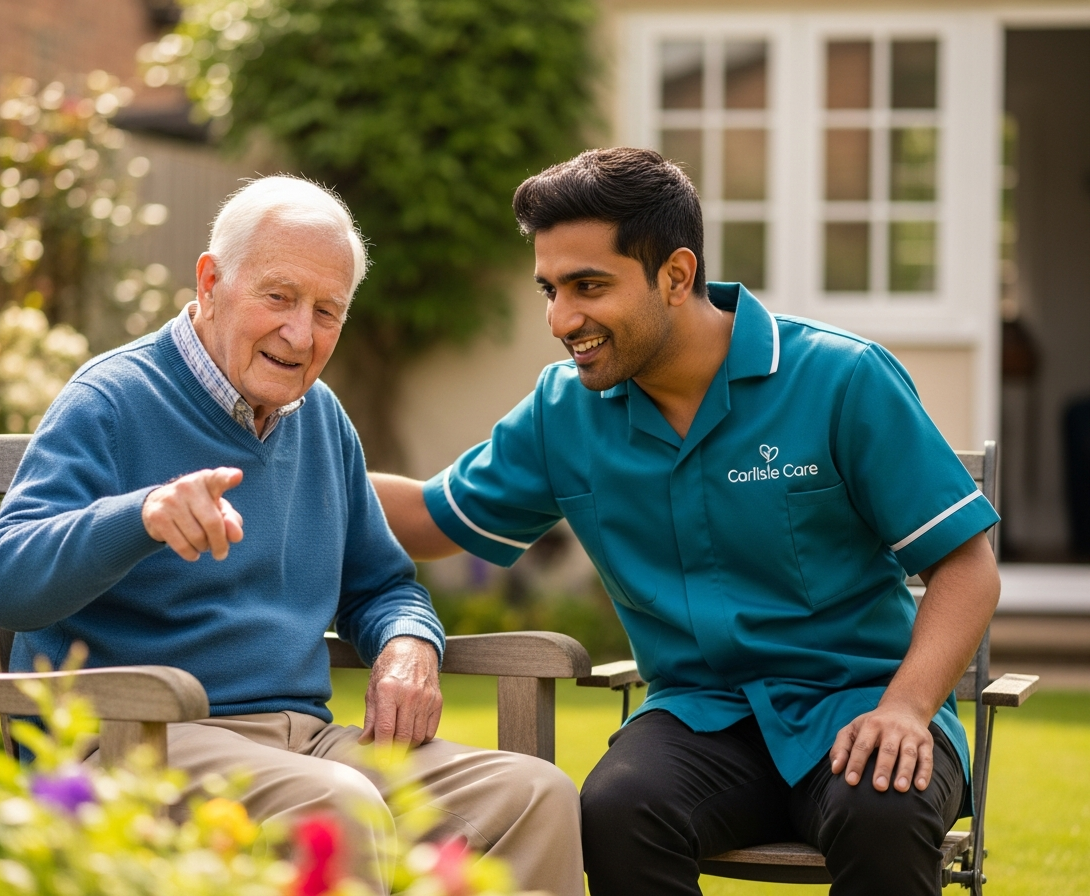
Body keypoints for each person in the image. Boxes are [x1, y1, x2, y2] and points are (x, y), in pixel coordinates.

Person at [371, 148, 1002, 896]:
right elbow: (430, 517)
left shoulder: (840, 377)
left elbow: (966, 567)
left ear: (675, 275)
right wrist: (286, 456)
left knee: (883, 809)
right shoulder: (563, 412)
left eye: (588, 286)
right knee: (616, 809)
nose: (560, 319)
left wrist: (906, 709)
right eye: (549, 289)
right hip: (699, 719)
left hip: (863, 702)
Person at [0, 176, 583, 896]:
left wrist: (410, 643)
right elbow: (0, 581)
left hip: (303, 741)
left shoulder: (321, 419)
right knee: (338, 806)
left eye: (328, 311)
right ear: (211, 281)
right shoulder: (111, 400)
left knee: (534, 796)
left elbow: (382, 585)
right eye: (278, 297)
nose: (301, 333)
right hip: (138, 741)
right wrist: (139, 517)